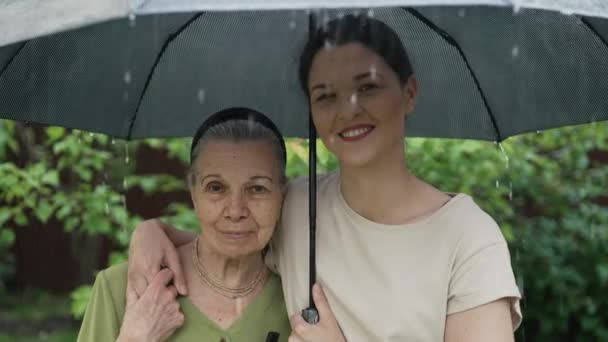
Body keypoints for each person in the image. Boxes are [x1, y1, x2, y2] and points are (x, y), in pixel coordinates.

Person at [127, 14, 522, 341]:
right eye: (325, 95)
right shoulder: (299, 206)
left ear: (410, 92)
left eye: (367, 87)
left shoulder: (468, 239)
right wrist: (147, 234)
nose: (348, 110)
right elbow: (219, 235)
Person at [77, 107, 291, 341]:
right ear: (193, 193)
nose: (236, 211)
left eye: (257, 188)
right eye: (216, 188)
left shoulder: (300, 299)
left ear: (282, 194)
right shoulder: (121, 290)